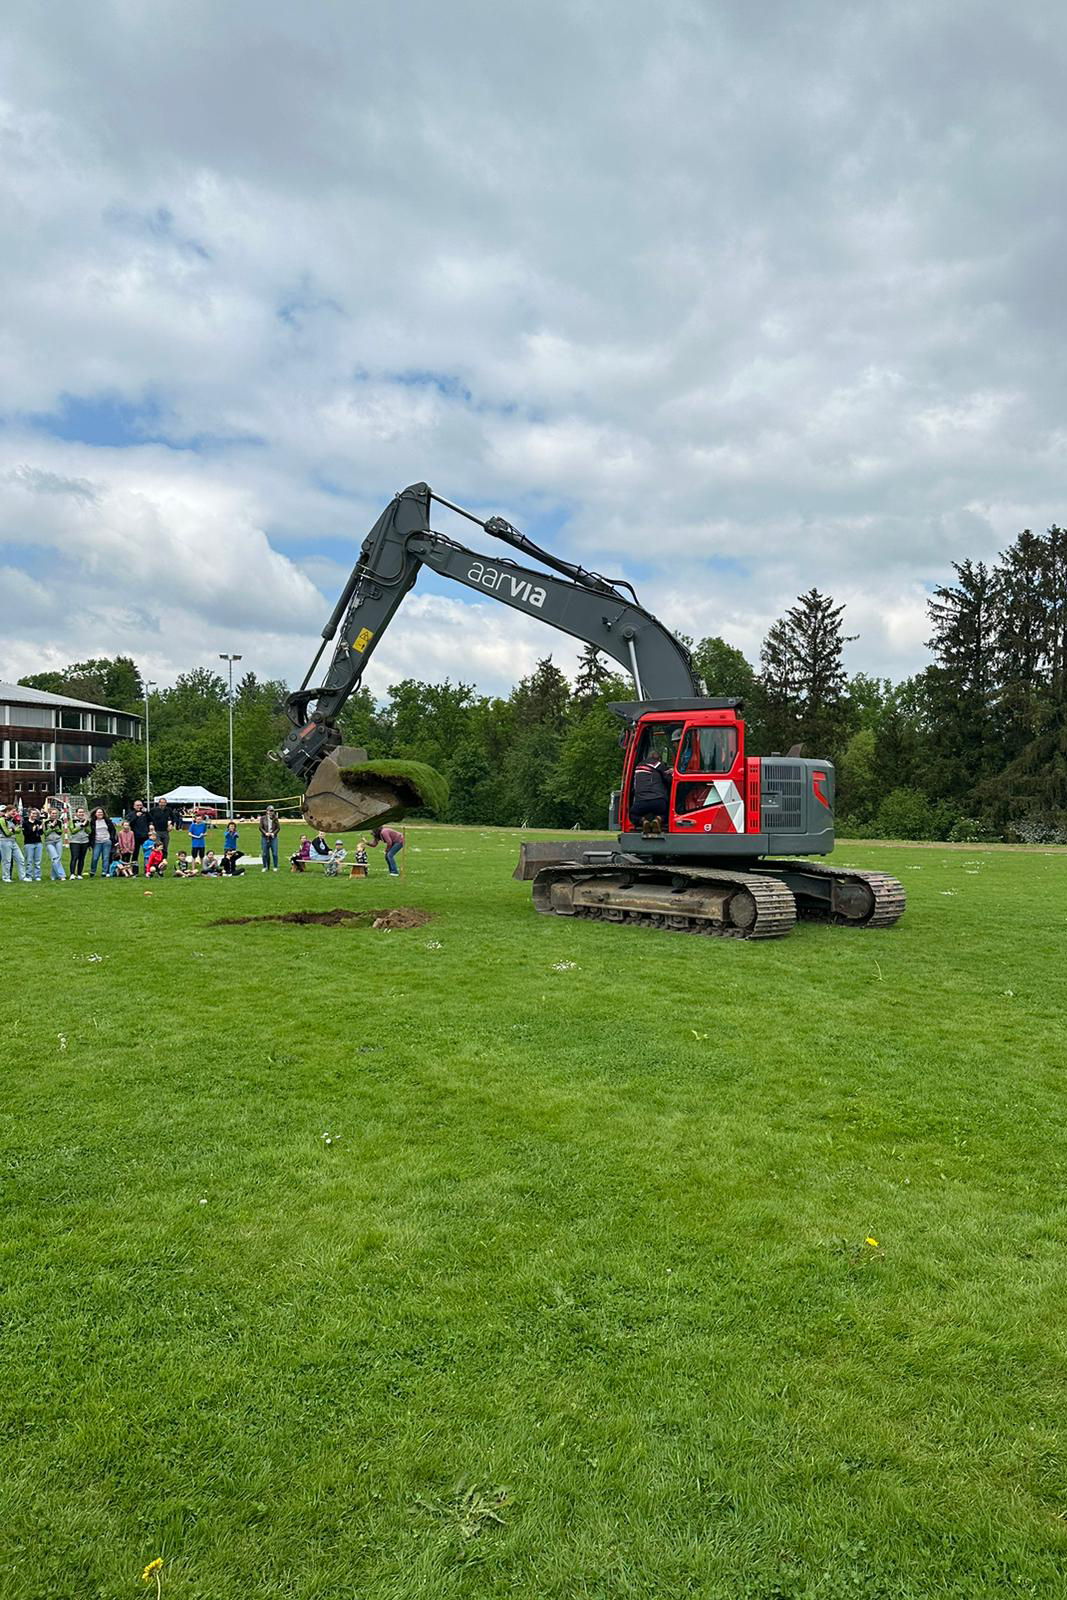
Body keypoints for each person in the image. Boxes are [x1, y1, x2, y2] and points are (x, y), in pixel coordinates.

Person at [629, 752, 672, 836]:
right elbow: (669, 778)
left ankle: (643, 821)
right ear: (659, 759)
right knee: (668, 812)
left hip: (640, 802)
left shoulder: (638, 767)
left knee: (632, 814)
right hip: (658, 801)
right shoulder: (657, 764)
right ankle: (658, 819)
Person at [0, 805, 28, 884]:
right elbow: (6, 833)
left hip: (13, 841)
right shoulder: (2, 820)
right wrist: (13, 829)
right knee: (7, 860)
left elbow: (19, 831)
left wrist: (13, 829)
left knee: (21, 859)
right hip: (4, 841)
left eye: (15, 811)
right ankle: (6, 877)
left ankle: (22, 877)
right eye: (13, 811)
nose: (15, 813)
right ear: (7, 811)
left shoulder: (14, 820)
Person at [88, 807, 117, 878]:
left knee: (106, 857)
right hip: (97, 842)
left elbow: (113, 830)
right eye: (98, 812)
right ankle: (92, 871)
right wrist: (90, 842)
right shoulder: (92, 822)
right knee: (95, 857)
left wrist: (111, 839)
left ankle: (105, 871)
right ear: (95, 814)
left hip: (106, 841)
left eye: (101, 812)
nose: (100, 814)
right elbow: (90, 833)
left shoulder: (108, 821)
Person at [42, 805, 67, 881]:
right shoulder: (45, 822)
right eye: (53, 813)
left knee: (57, 859)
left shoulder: (59, 821)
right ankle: (62, 875)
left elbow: (60, 832)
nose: (54, 815)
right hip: (49, 842)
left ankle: (53, 875)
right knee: (55, 858)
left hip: (58, 841)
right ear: (49, 814)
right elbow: (46, 833)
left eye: (56, 813)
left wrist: (55, 828)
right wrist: (52, 827)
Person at [126, 800, 151, 867]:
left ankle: (147, 869)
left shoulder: (145, 813)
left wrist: (147, 813)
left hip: (145, 836)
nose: (139, 807)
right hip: (135, 836)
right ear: (134, 806)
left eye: (140, 805)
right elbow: (129, 824)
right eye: (137, 805)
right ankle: (135, 870)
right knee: (135, 853)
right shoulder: (131, 814)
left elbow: (151, 820)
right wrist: (136, 816)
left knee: (147, 853)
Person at [68, 807, 91, 878]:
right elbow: (73, 831)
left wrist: (85, 826)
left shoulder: (87, 821)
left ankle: (79, 874)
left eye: (82, 812)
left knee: (82, 858)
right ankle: (72, 874)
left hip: (84, 841)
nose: (81, 814)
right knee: (74, 857)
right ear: (76, 813)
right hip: (74, 841)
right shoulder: (72, 821)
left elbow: (89, 831)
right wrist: (81, 825)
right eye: (79, 812)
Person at [21, 807, 43, 882]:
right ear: (29, 814)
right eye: (33, 813)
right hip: (29, 843)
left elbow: (41, 834)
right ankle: (29, 876)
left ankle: (37, 876)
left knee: (37, 861)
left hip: (38, 843)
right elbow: (25, 834)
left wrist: (40, 829)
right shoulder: (25, 823)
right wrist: (32, 830)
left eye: (36, 814)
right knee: (29, 861)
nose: (35, 815)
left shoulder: (38, 822)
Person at [259, 806, 280, 871]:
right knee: (265, 853)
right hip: (264, 837)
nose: (271, 812)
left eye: (272, 811)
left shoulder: (275, 818)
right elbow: (260, 827)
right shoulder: (263, 818)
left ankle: (275, 866)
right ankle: (265, 866)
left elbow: (278, 828)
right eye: (270, 811)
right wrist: (265, 833)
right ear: (267, 811)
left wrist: (274, 833)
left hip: (273, 837)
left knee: (275, 853)